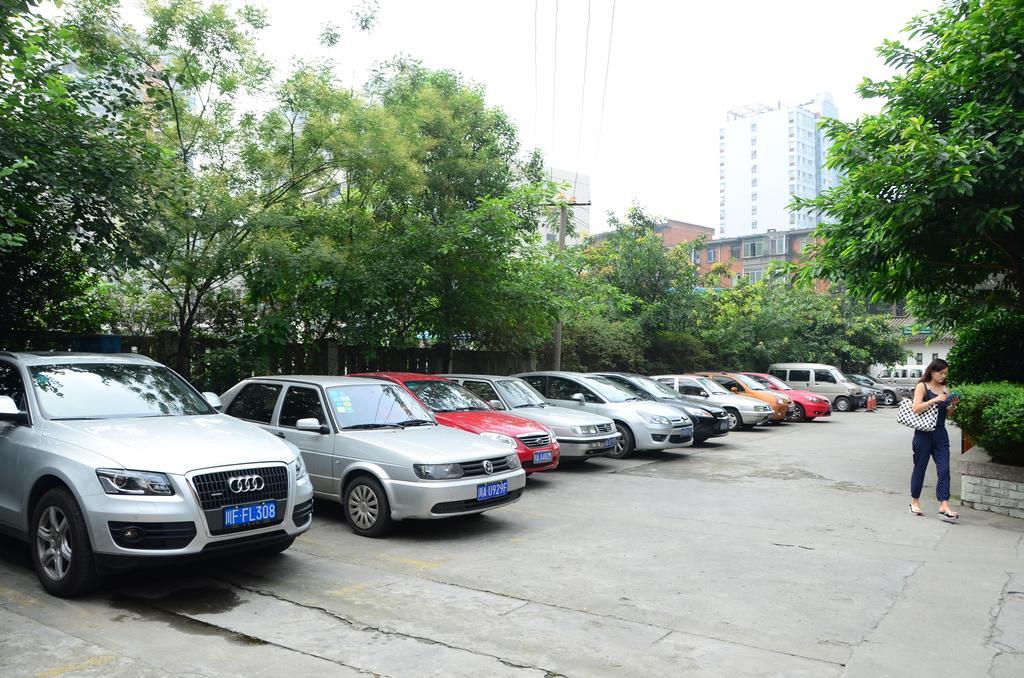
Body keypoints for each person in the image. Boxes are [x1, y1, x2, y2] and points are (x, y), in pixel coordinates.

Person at [909, 359, 959, 519]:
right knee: (920, 468)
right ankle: (915, 502)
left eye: (946, 373)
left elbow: (947, 414)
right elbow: (915, 408)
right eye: (941, 373)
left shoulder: (945, 388)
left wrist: (953, 406)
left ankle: (944, 505)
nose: (943, 376)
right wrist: (933, 400)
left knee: (944, 469)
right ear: (932, 371)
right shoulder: (922, 386)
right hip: (923, 434)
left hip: (940, 434)